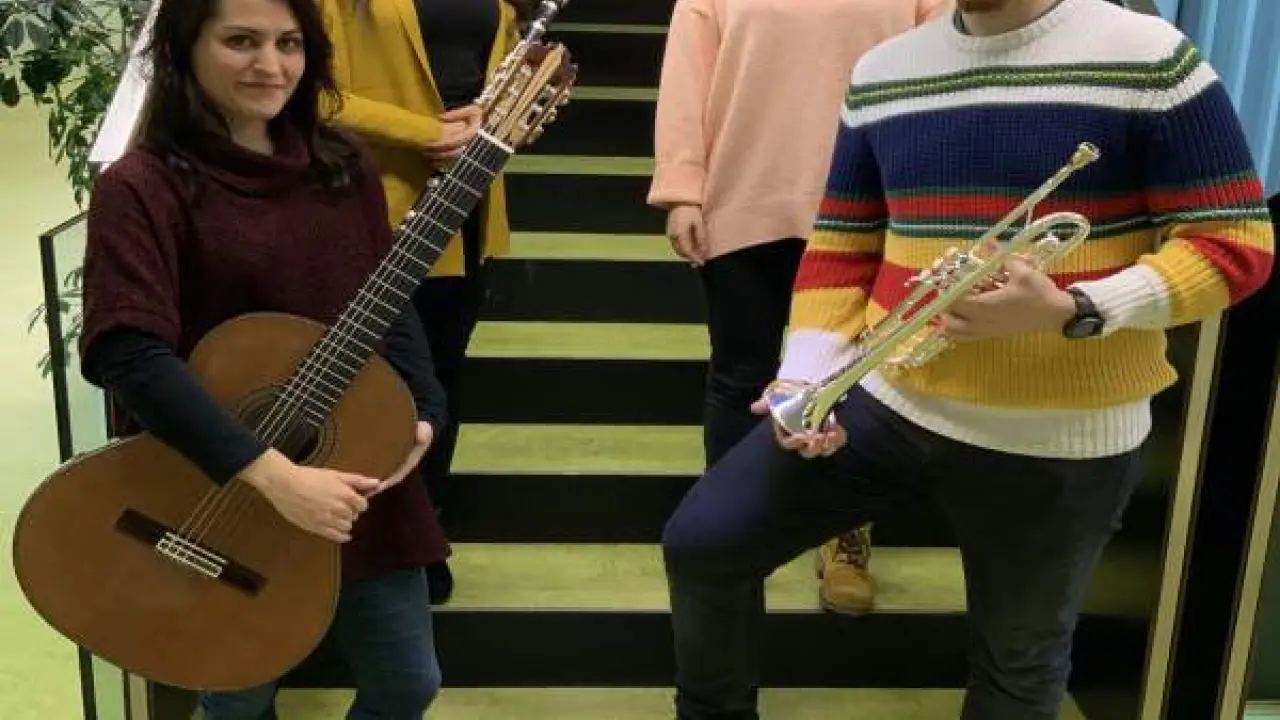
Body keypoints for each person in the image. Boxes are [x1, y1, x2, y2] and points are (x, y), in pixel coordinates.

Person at [659, 0, 1275, 718]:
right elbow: (842, 245)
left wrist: (1074, 307)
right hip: (890, 405)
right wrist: (808, 374)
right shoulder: (884, 71)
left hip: (1060, 442)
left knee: (1017, 666)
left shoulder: (1149, 56)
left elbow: (1235, 245)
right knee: (703, 544)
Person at [78, 0, 452, 716]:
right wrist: (274, 477)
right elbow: (129, 352)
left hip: (346, 470)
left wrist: (425, 410)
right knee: (238, 698)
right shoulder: (141, 186)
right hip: (214, 483)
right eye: (241, 41)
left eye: (289, 43)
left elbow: (388, 297)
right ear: (186, 47)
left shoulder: (342, 164)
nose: (271, 66)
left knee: (409, 681)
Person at [648, 0, 952, 614]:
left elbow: (942, 74)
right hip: (745, 192)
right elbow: (687, 78)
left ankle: (844, 540)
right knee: (740, 377)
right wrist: (682, 189)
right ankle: (728, 531)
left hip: (873, 203)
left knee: (858, 384)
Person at [317, 0, 527, 604]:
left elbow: (494, 74)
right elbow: (313, 94)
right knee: (376, 385)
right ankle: (358, 539)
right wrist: (426, 131)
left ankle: (423, 531)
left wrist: (492, 117)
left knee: (442, 378)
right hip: (377, 208)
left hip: (466, 208)